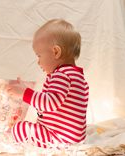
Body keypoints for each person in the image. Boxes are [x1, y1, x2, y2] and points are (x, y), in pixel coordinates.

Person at [7, 19, 89, 148]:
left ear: (56, 52)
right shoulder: (77, 76)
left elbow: (50, 103)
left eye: (39, 56)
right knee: (30, 126)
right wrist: (26, 91)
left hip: (60, 139)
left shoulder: (62, 75)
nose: (38, 62)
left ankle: (8, 138)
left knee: (20, 128)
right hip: (73, 138)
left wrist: (25, 93)